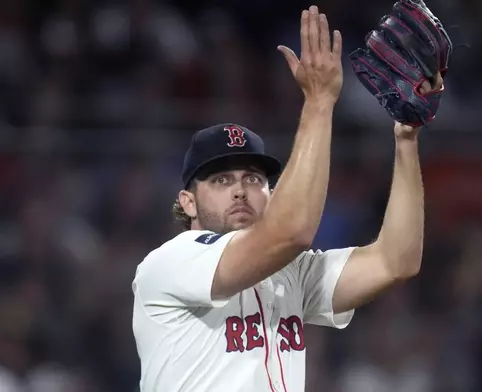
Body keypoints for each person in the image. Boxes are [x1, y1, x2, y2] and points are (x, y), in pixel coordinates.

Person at [132, 5, 441, 391]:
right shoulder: (168, 265)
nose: (240, 189)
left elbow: (397, 261)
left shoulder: (290, 274)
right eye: (221, 180)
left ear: (271, 193)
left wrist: (406, 138)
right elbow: (292, 231)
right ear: (188, 201)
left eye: (253, 178)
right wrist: (318, 102)